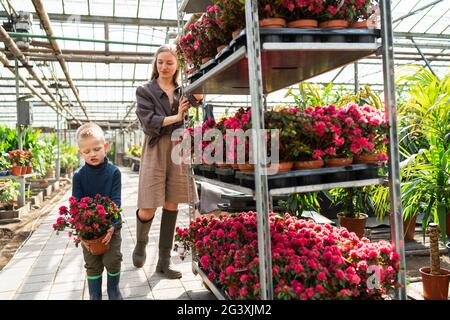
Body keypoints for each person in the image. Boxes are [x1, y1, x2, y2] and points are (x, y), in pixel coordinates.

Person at [133, 44, 202, 279]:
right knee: (149, 204)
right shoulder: (145, 91)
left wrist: (198, 88)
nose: (164, 66)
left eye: (169, 63)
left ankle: (163, 261)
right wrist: (177, 116)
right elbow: (148, 121)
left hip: (178, 147)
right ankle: (141, 244)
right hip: (155, 147)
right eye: (160, 62)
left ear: (177, 66)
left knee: (172, 202)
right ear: (155, 63)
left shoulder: (183, 91)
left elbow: (199, 97)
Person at [72, 122, 123, 300]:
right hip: (89, 231)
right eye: (86, 151)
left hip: (110, 227)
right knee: (92, 264)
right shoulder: (79, 176)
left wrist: (113, 226)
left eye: (96, 149)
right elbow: (76, 205)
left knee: (112, 259)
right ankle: (95, 296)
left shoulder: (114, 173)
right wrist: (80, 230)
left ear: (105, 147)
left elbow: (116, 202)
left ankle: (114, 291)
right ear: (80, 153)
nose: (92, 154)